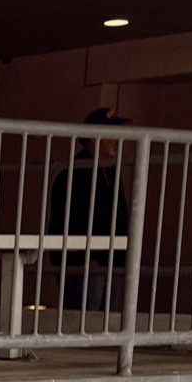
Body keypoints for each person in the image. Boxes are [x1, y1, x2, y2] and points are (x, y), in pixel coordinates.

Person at [46, 106, 129, 315]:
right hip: (87, 266)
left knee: (104, 324)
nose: (119, 139)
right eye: (113, 133)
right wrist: (84, 260)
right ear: (95, 137)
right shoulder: (75, 174)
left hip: (108, 263)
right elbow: (67, 221)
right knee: (82, 322)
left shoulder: (108, 172)